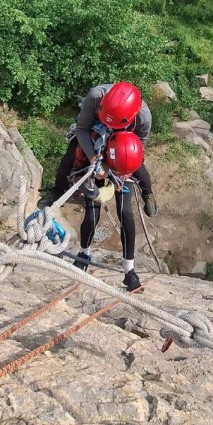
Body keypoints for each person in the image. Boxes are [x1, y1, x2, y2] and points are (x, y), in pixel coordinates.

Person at [39, 82, 157, 291]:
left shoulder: (143, 117)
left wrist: (119, 168)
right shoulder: (95, 97)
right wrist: (95, 159)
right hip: (94, 140)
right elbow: (82, 129)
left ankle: (129, 270)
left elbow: (138, 148)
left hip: (123, 150)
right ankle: (83, 253)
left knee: (125, 211)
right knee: (90, 204)